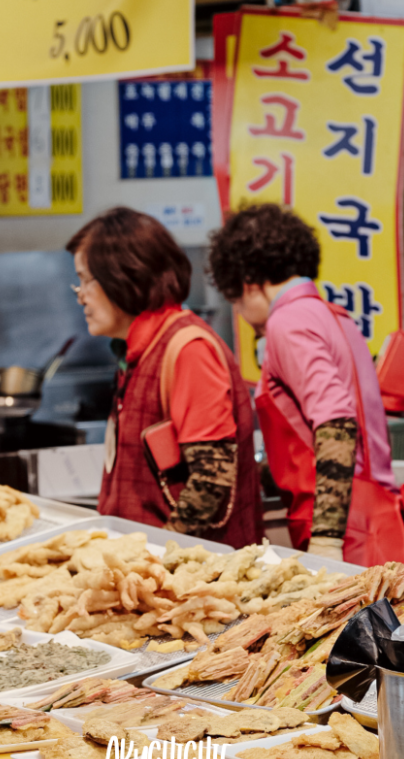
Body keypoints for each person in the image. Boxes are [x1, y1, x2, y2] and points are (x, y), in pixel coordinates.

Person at [207, 203, 404, 565]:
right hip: (381, 518)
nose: (244, 317)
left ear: (249, 282)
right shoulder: (333, 315)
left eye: (236, 302)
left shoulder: (287, 322)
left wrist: (326, 540)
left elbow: (335, 421)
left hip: (350, 532)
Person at [66, 207, 263, 548]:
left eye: (86, 280)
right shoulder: (137, 349)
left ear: (124, 275)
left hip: (189, 581)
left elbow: (210, 483)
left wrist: (156, 559)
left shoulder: (188, 349)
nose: (80, 294)